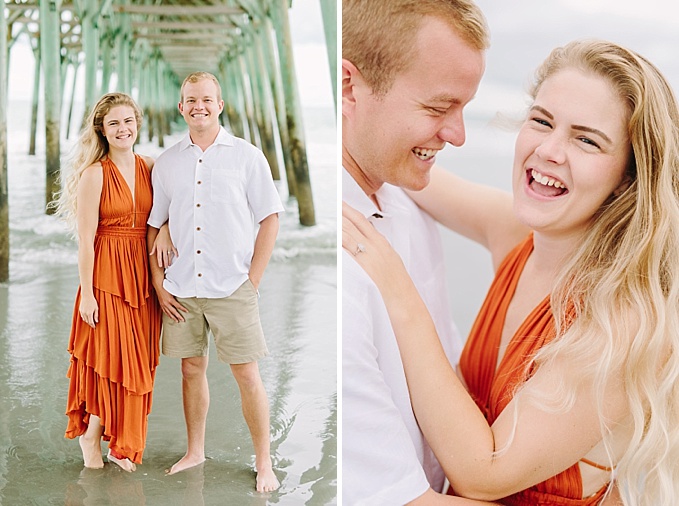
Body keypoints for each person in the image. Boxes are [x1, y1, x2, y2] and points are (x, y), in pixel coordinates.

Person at [343, 38, 679, 505]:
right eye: (542, 121)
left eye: (586, 140)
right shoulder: (515, 233)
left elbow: (485, 472)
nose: (549, 150)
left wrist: (398, 291)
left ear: (627, 176)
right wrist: (358, 106)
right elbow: (401, 164)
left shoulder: (620, 321)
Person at [341, 1, 512, 504]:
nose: (458, 135)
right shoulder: (348, 273)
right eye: (439, 108)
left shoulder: (407, 199)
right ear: (349, 87)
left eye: (464, 107)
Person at [146, 71, 283, 493]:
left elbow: (270, 218)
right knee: (191, 370)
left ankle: (264, 461)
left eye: (206, 99)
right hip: (183, 286)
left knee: (247, 375)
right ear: (181, 106)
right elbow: (155, 225)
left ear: (220, 105)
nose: (198, 106)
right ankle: (195, 451)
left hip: (232, 286)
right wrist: (159, 284)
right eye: (190, 100)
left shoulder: (247, 156)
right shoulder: (168, 163)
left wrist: (252, 280)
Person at [55, 93, 163, 472]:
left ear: (138, 123)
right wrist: (86, 293)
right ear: (101, 129)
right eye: (114, 123)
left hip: (143, 275)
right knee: (113, 358)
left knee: (139, 360)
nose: (123, 129)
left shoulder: (150, 165)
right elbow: (86, 239)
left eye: (128, 121)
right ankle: (92, 435)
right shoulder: (95, 174)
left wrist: (164, 231)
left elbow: (169, 211)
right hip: (106, 277)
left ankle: (119, 444)